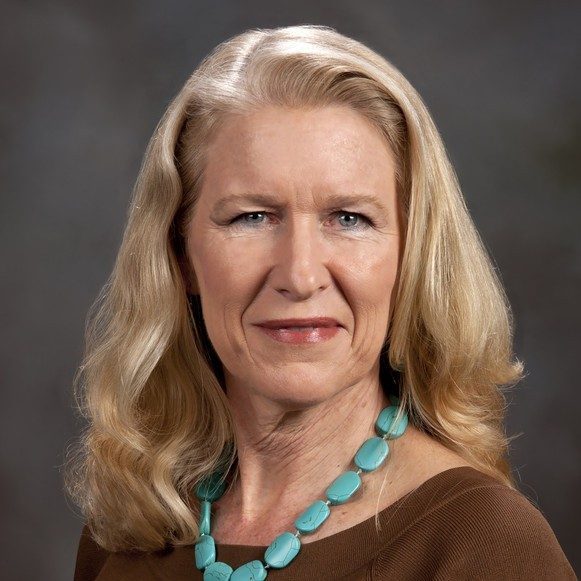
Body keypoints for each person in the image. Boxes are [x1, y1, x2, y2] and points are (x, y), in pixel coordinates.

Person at [67, 24, 575, 580]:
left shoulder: (484, 545)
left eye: (349, 218)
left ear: (410, 258)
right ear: (180, 253)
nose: (301, 276)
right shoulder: (128, 529)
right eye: (252, 217)